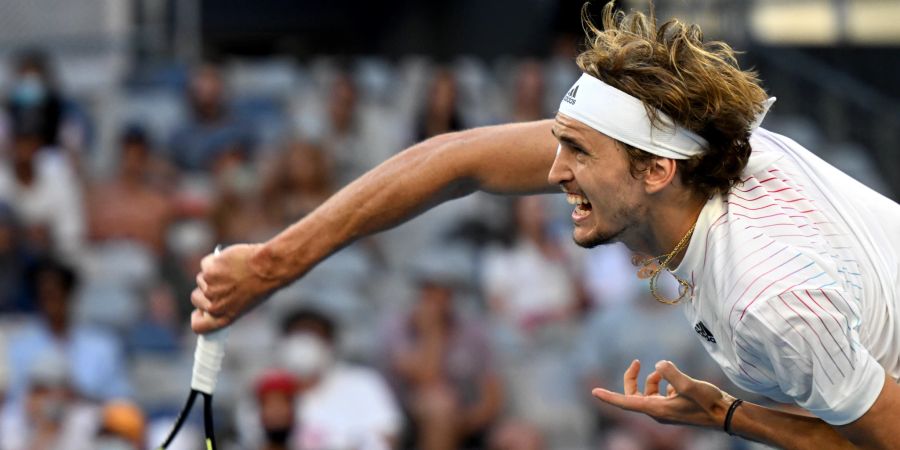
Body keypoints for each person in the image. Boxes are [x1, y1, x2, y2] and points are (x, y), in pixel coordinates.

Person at [190, 3, 900, 449]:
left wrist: (725, 416)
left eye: (579, 152)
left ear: (655, 173)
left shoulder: (766, 301)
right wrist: (276, 262)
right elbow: (457, 160)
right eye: (559, 143)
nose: (553, 171)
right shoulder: (705, 146)